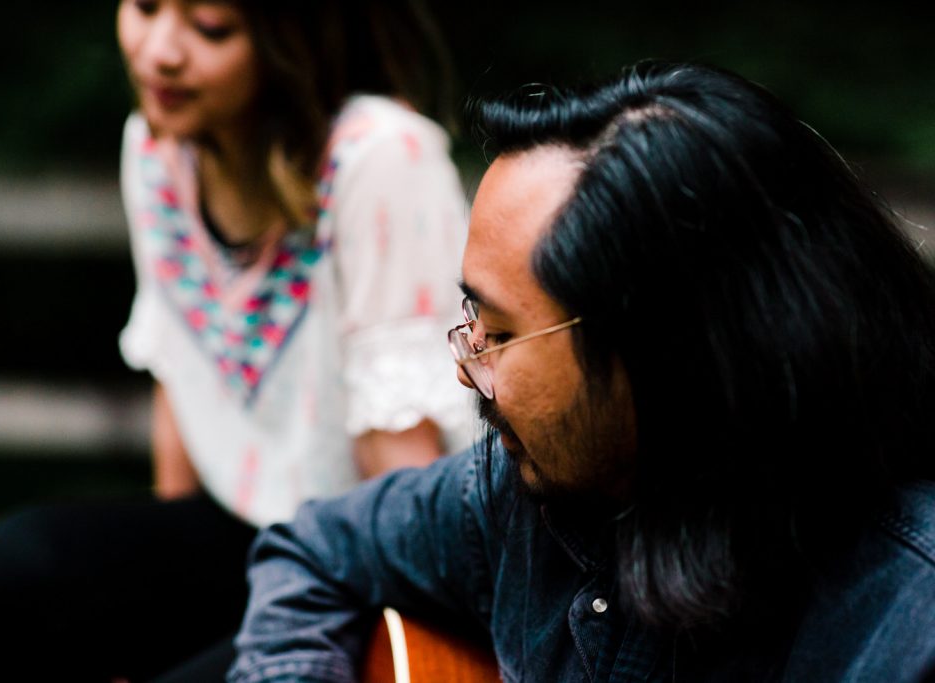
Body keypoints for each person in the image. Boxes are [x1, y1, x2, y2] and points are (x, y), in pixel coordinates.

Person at [228, 61, 935, 682]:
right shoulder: (517, 493)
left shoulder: (905, 617)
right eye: (472, 319)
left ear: (670, 353)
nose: (470, 373)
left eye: (500, 334)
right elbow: (312, 551)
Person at [0, 1, 472, 680]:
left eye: (209, 26)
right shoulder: (155, 148)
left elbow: (405, 465)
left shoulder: (380, 158)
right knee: (17, 569)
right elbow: (180, 371)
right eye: (144, 8)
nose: (160, 51)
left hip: (361, 560)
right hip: (242, 535)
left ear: (286, 37)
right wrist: (164, 588)